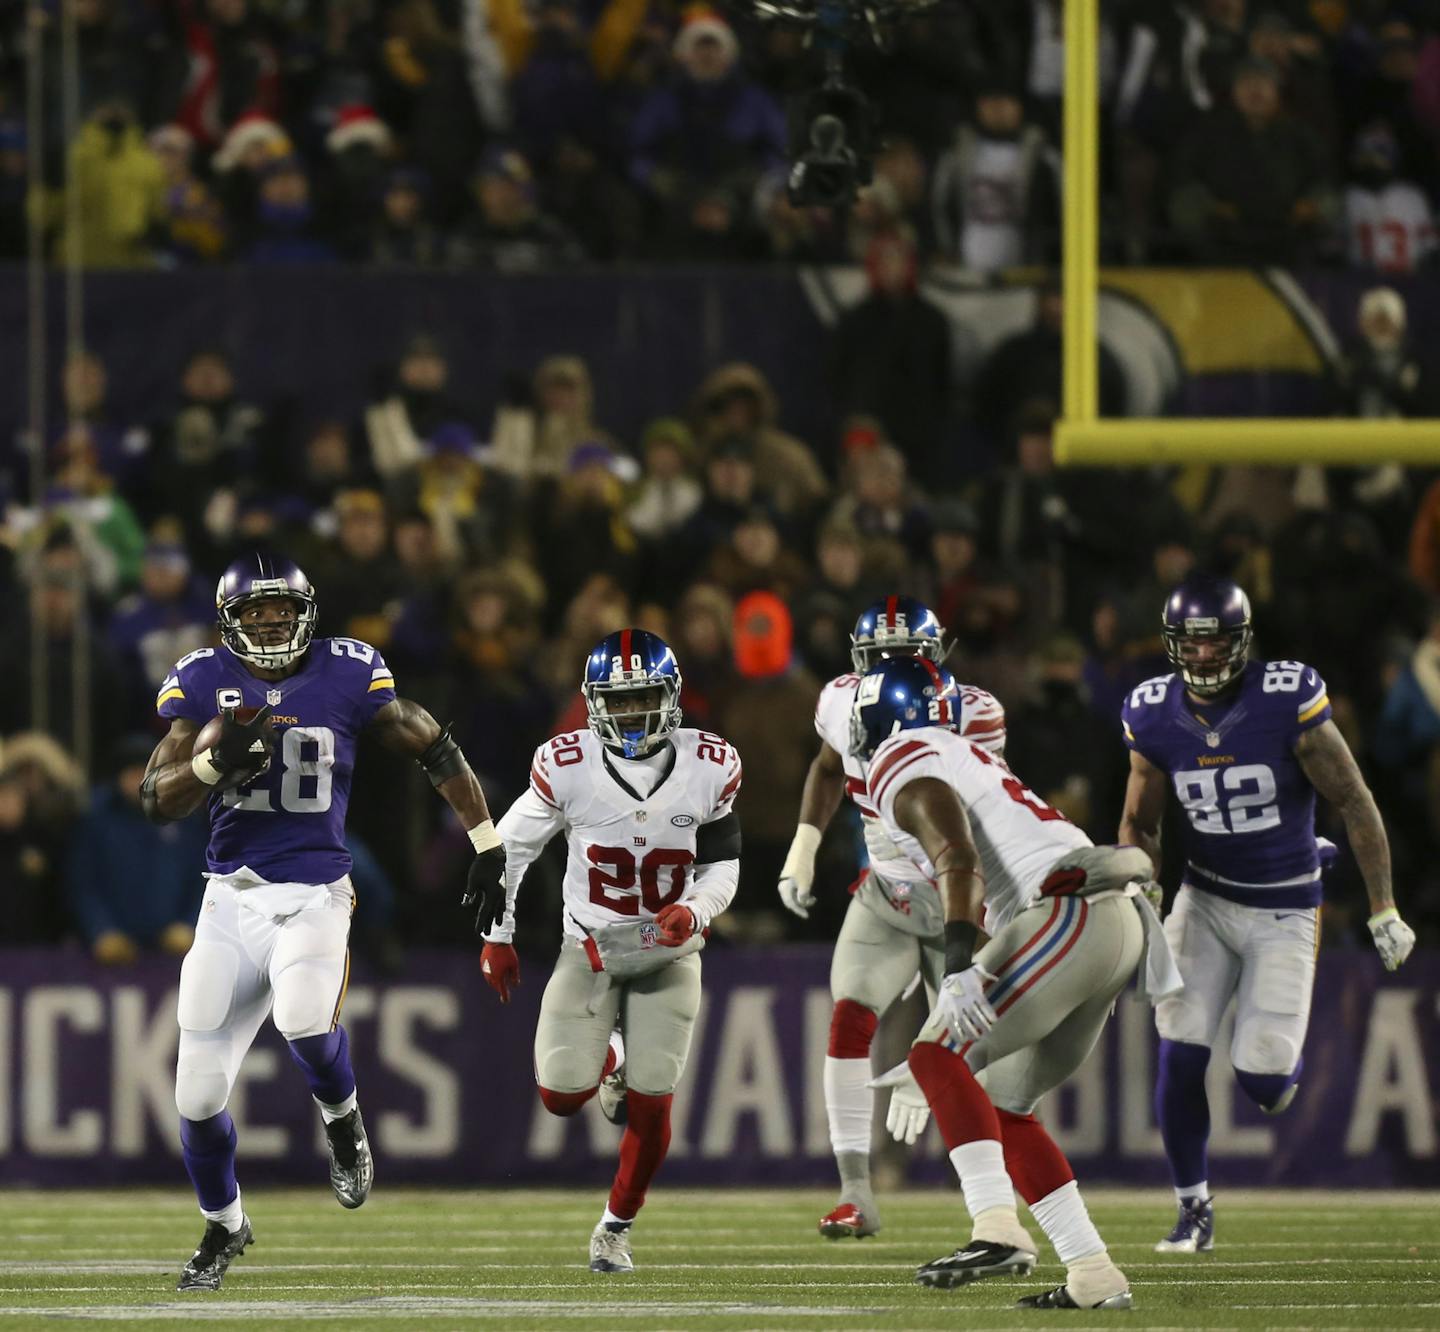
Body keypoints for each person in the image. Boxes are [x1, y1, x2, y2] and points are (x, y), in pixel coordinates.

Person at [141, 552, 506, 1292]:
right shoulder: (203, 679)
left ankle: (344, 1122)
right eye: (256, 614)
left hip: (314, 893)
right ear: (229, 624)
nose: (271, 625)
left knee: (306, 1020)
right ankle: (225, 1225)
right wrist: (214, 768)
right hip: (229, 899)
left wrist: (488, 841)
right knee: (196, 1098)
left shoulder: (348, 671)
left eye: (282, 612)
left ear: (307, 617)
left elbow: (432, 744)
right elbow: (156, 797)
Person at [852, 656, 1180, 1310]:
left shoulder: (902, 755)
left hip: (1070, 908)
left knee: (933, 1053)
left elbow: (957, 858)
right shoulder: (967, 757)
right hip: (1107, 918)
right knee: (1001, 1106)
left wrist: (954, 973)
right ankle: (1093, 1272)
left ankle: (997, 1227)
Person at [1118, 573, 1416, 1254]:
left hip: (1285, 907)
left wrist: (1383, 907)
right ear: (1172, 646)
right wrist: (1141, 892)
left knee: (1265, 1081)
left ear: (1242, 640)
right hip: (1208, 896)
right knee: (1181, 1044)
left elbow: (1355, 798)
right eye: (1189, 646)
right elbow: (1140, 819)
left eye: (1215, 643)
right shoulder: (1153, 712)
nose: (1201, 658)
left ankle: (1309, 856)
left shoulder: (1285, 700)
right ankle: (1193, 1210)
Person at [478, 628, 742, 1274]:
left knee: (651, 1107)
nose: (628, 714)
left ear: (671, 697)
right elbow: (507, 851)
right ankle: (614, 1051)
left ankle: (614, 1229)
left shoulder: (711, 763)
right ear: (594, 703)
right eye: (616, 701)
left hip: (669, 950)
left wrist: (696, 909)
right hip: (590, 947)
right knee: (562, 1094)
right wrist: (498, 935)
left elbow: (724, 867)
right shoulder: (566, 764)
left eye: (641, 699)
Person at [776, 597, 1006, 1239]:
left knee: (982, 1063)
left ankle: (996, 1216)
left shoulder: (975, 716)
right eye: (881, 660)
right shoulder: (841, 704)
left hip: (961, 901)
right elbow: (827, 767)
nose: (893, 675)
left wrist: (942, 1045)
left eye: (906, 660)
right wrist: (806, 843)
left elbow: (975, 842)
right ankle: (855, 1192)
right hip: (886, 893)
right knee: (849, 1015)